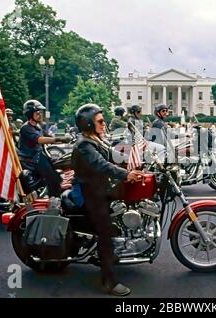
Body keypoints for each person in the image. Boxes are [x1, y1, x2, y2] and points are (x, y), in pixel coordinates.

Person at [71, 103, 144, 296]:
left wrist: (134, 159)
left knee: (123, 207)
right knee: (104, 232)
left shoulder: (95, 139)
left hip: (98, 186)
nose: (104, 124)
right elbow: (101, 163)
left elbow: (112, 155)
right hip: (89, 191)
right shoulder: (85, 144)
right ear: (88, 124)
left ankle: (117, 248)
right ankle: (108, 282)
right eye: (100, 121)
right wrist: (125, 174)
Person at [18, 100, 70, 197]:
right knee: (53, 178)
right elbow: (40, 139)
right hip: (32, 160)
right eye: (37, 112)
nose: (40, 115)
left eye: (41, 113)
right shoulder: (26, 128)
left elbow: (48, 137)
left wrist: (66, 140)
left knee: (61, 166)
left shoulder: (38, 126)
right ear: (30, 114)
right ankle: (54, 201)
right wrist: (58, 138)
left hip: (40, 156)